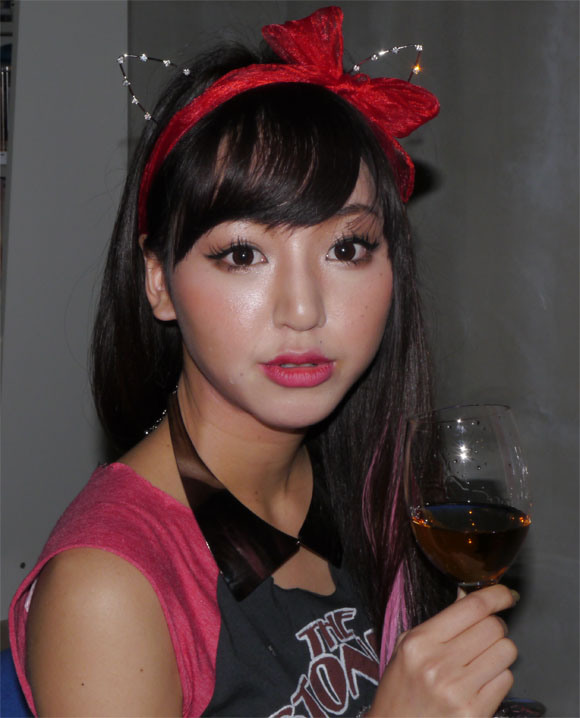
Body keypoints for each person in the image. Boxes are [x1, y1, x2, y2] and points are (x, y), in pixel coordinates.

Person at [9, 7, 518, 717]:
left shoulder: (370, 488)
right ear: (159, 282)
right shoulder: (109, 588)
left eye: (346, 248)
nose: (303, 310)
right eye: (244, 254)